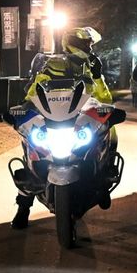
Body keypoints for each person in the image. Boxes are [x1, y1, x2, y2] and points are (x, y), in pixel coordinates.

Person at [13, 27, 114, 229]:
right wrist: (25, 107)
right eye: (85, 44)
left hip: (78, 118)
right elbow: (34, 92)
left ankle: (103, 181)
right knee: (30, 150)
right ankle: (23, 207)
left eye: (89, 44)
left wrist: (98, 77)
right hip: (53, 118)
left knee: (110, 135)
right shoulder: (49, 64)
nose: (88, 47)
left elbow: (104, 99)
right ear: (71, 42)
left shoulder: (90, 66)